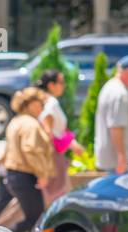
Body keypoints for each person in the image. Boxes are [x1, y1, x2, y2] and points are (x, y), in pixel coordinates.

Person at [0, 87, 53, 232]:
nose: (42, 109)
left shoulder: (15, 121)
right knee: (35, 216)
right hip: (24, 175)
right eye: (40, 105)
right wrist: (42, 174)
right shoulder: (30, 124)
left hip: (11, 173)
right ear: (31, 104)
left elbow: (9, 150)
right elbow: (30, 150)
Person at [37, 68, 82, 204]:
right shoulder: (51, 103)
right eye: (61, 82)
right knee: (56, 196)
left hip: (55, 154)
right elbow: (48, 126)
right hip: (54, 155)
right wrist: (68, 142)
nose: (64, 86)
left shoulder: (47, 101)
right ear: (51, 85)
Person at [95, 55, 128, 175]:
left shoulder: (112, 87)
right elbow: (116, 127)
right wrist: (121, 157)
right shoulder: (119, 94)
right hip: (119, 163)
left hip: (115, 161)